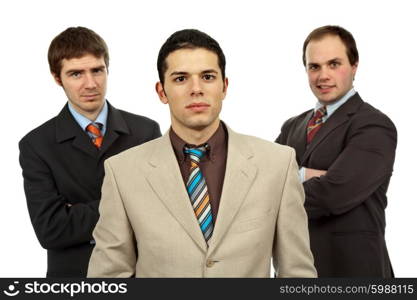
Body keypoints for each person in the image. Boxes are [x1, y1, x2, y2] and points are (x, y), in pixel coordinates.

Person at [87, 29, 316, 278]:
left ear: (224, 86)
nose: (196, 89)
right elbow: (107, 280)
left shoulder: (277, 164)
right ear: (161, 92)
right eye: (180, 78)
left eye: (207, 77)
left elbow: (298, 275)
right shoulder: (123, 173)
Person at [18, 26, 161, 277]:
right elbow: (51, 229)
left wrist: (76, 213)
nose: (90, 84)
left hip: (140, 274)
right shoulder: (36, 144)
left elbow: (160, 212)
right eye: (76, 74)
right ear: (57, 78)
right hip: (74, 278)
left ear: (108, 69)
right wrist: (127, 204)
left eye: (97, 70)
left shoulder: (145, 132)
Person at [276, 25, 397, 277]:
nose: (323, 76)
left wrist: (292, 177)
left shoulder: (373, 125)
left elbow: (334, 193)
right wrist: (312, 174)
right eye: (314, 67)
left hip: (352, 271)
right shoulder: (293, 126)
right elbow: (263, 179)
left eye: (334, 64)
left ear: (354, 66)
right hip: (295, 270)